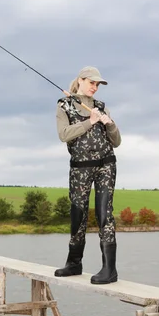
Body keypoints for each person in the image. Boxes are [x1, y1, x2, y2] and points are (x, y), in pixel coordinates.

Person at [54, 66, 121, 284]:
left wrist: (107, 123)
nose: (95, 87)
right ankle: (74, 263)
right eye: (92, 82)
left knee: (104, 214)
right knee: (78, 214)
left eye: (98, 84)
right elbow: (64, 135)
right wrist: (89, 121)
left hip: (106, 165)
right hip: (80, 167)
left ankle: (109, 269)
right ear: (81, 80)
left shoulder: (101, 107)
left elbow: (117, 141)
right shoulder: (64, 105)